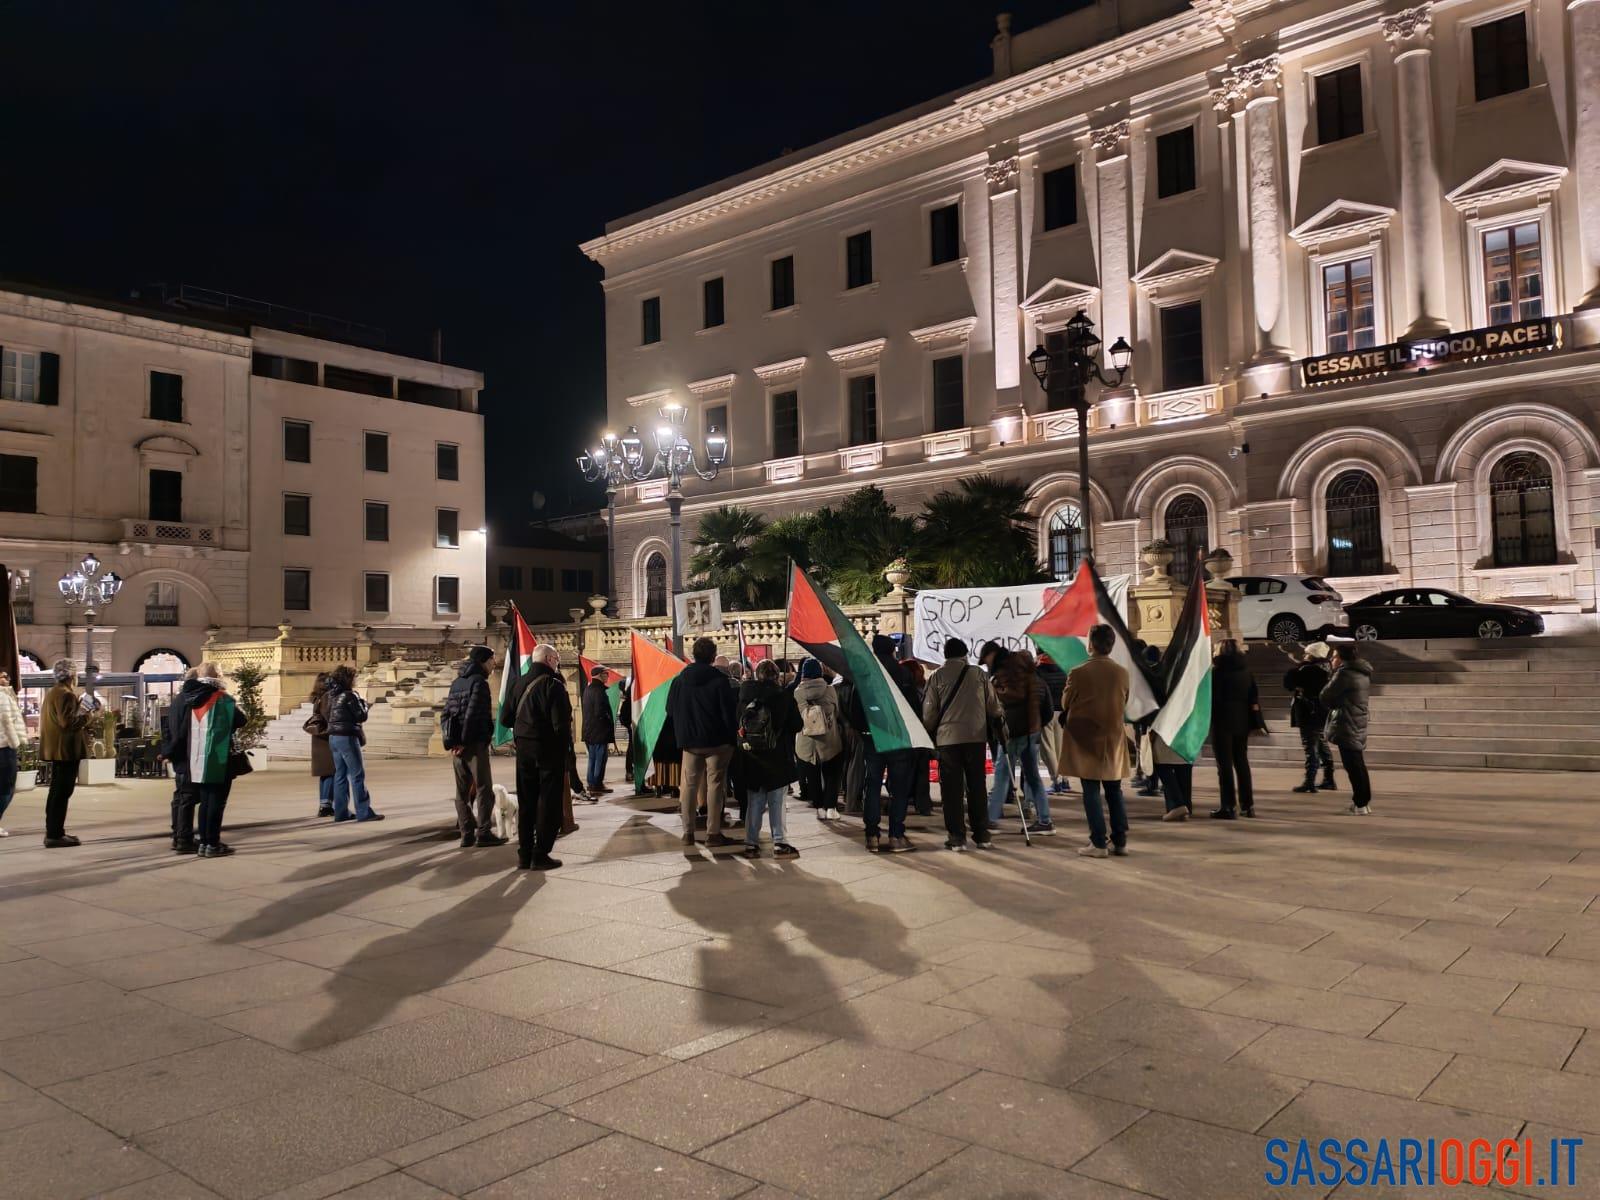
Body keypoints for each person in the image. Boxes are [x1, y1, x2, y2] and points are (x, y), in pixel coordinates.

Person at [922, 636, 1004, 852]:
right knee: (977, 786)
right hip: (976, 738)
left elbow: (929, 713)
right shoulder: (979, 674)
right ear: (965, 653)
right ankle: (982, 834)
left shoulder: (937, 676)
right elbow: (994, 707)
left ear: (945, 655)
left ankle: (957, 837)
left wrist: (929, 731)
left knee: (951, 790)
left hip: (947, 740)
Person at [159, 662, 247, 857]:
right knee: (216, 802)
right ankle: (212, 844)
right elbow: (241, 720)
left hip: (197, 759)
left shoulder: (191, 699)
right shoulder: (221, 697)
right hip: (218, 758)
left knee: (205, 802)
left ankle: (203, 843)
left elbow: (180, 729)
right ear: (217, 676)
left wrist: (168, 751)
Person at [1062, 625, 1131, 858]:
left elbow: (1065, 702)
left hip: (1086, 737)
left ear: (1091, 643)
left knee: (1090, 790)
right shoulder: (1122, 672)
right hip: (1113, 737)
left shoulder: (1078, 672)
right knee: (1114, 790)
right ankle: (1120, 841)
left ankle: (1098, 842)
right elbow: (1125, 700)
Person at [669, 636, 739, 848]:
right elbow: (728, 713)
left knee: (689, 786)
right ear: (712, 656)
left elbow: (670, 710)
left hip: (690, 741)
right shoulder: (719, 680)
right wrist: (732, 737)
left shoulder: (679, 680)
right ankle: (713, 833)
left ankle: (688, 832)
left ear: (693, 655)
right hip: (717, 741)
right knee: (715, 785)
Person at [854, 635, 919, 853]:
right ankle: (896, 835)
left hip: (873, 735)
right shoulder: (903, 673)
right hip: (898, 736)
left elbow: (855, 706)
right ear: (893, 650)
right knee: (899, 787)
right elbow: (914, 706)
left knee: (872, 784)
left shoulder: (865, 673)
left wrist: (863, 730)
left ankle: (872, 835)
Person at [508, 642, 570, 869]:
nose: (557, 663)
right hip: (548, 751)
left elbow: (505, 719)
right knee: (548, 801)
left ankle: (524, 853)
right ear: (549, 659)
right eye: (557, 659)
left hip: (523, 749)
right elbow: (561, 725)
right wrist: (565, 755)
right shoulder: (553, 685)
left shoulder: (518, 683)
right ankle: (540, 853)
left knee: (526, 801)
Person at [981, 641, 1052, 836]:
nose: (987, 664)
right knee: (1032, 776)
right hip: (1030, 728)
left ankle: (991, 819)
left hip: (1015, 731)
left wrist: (994, 689)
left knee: (1002, 774)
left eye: (986, 660)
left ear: (992, 654)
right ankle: (1045, 820)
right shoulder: (1027, 671)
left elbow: (1014, 695)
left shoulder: (1008, 670)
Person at [736, 659, 801, 858]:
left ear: (758, 675)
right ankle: (780, 842)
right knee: (777, 801)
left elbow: (738, 722)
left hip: (751, 755)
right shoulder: (783, 696)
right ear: (776, 676)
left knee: (754, 801)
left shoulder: (744, 696)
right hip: (777, 755)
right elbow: (797, 725)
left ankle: (751, 843)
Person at [442, 646, 504, 847]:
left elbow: (446, 715)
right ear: (483, 661)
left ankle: (466, 834)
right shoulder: (479, 683)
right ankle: (484, 833)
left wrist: (452, 742)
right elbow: (473, 715)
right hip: (474, 744)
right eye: (492, 660)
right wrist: (464, 741)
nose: (494, 663)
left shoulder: (457, 682)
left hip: (458, 746)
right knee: (484, 789)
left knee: (461, 793)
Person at [1209, 639, 1261, 819]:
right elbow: (1253, 695)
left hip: (1222, 721)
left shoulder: (1217, 672)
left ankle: (1228, 806)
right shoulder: (1246, 671)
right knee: (1241, 762)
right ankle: (1248, 805)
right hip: (1242, 720)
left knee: (1224, 765)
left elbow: (1214, 698)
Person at [40, 659, 88, 848]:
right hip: (66, 751)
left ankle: (54, 831)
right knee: (62, 792)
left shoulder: (53, 692)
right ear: (72, 675)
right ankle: (55, 835)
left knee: (56, 792)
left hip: (56, 749)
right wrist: (88, 713)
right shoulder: (66, 694)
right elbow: (68, 723)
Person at [1321, 645, 1374, 815]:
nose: (1331, 660)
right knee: (1358, 764)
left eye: (1334, 656)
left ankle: (1360, 804)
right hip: (1357, 721)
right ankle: (1363, 802)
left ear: (1342, 658)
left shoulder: (1344, 674)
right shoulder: (1362, 672)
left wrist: (1335, 704)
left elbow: (1325, 696)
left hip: (1346, 723)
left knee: (1353, 765)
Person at [325, 665, 382, 822]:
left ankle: (341, 812)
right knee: (357, 774)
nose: (355, 680)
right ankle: (364, 812)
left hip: (334, 737)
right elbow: (361, 716)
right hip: (347, 737)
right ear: (348, 679)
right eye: (354, 677)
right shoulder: (349, 695)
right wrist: (364, 704)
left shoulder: (332, 695)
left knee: (340, 775)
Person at [793, 659, 843, 820]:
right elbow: (836, 712)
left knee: (812, 775)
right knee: (832, 774)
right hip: (829, 739)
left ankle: (819, 807)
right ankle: (831, 807)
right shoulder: (830, 690)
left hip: (806, 741)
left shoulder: (797, 693)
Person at [1283, 642, 1337, 793]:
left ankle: (1309, 781)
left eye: (1307, 653)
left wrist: (1301, 665)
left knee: (1310, 747)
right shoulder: (1326, 668)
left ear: (1313, 655)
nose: (1304, 655)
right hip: (1321, 711)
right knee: (1321, 744)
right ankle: (1328, 779)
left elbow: (1288, 681)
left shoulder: (1308, 669)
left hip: (1309, 712)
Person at [163, 667, 201, 852]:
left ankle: (177, 834)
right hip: (186, 754)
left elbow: (168, 728)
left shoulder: (178, 698)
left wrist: (168, 750)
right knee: (187, 796)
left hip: (178, 754)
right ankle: (184, 839)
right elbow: (184, 731)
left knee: (179, 796)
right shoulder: (191, 700)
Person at [1034, 652, 1071, 796]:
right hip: (1061, 712)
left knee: (1047, 749)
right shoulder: (1063, 669)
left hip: (1046, 712)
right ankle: (1065, 779)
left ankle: (1056, 781)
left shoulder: (1038, 671)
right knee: (1060, 748)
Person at [902, 659, 934, 817]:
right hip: (920, 733)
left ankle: (913, 800)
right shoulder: (921, 689)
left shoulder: (907, 689)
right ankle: (922, 804)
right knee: (920, 769)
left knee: (912, 768)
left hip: (913, 734)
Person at [580, 666, 615, 799]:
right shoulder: (599, 690)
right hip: (599, 731)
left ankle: (592, 783)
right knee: (600, 759)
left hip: (589, 730)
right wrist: (608, 720)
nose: (608, 676)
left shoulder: (588, 689)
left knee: (592, 758)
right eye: (606, 674)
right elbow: (600, 711)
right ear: (600, 675)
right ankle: (597, 784)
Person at [0, 668, 25, 838]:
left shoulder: (7, 694)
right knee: (7, 789)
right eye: (2, 677)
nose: (6, 679)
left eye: (7, 676)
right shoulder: (2, 696)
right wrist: (15, 742)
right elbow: (7, 721)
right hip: (5, 747)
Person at [307, 672, 335, 817]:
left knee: (325, 773)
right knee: (330, 772)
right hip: (326, 738)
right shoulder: (326, 698)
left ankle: (324, 804)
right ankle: (326, 807)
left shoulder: (318, 698)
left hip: (319, 739)